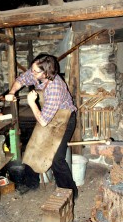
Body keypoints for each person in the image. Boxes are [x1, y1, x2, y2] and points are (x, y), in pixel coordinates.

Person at [5, 54, 78, 199]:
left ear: (46, 72)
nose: (32, 73)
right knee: (33, 147)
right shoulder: (37, 74)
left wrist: (31, 103)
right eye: (32, 70)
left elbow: (44, 121)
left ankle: (69, 191)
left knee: (57, 157)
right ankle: (31, 183)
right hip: (48, 115)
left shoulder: (55, 88)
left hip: (64, 119)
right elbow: (22, 79)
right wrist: (12, 92)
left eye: (35, 72)